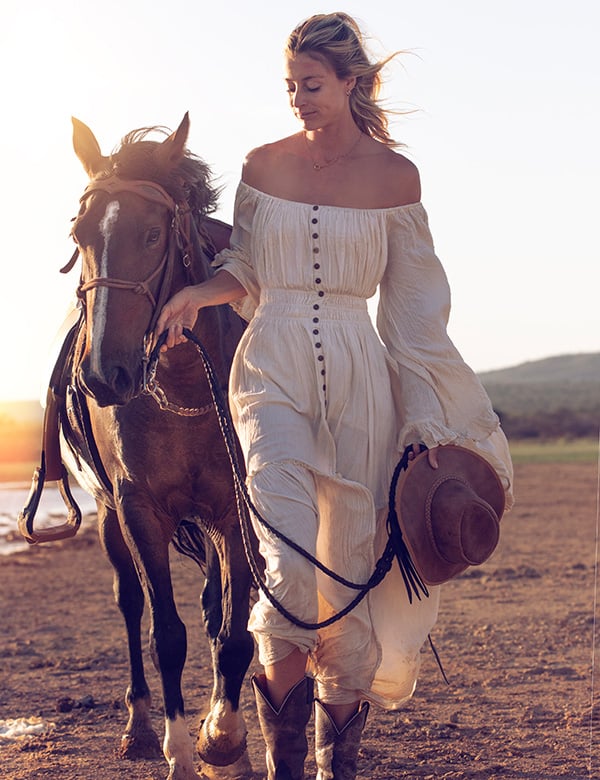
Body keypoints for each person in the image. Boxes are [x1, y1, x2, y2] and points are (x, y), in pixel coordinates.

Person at [156, 11, 513, 780]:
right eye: (289, 86)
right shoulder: (262, 165)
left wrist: (424, 416)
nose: (298, 99)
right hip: (272, 372)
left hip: (361, 384)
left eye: (311, 85)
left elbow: (415, 314)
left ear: (354, 82)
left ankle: (331, 770)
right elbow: (247, 271)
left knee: (345, 581)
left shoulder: (396, 178)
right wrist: (197, 293)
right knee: (285, 574)